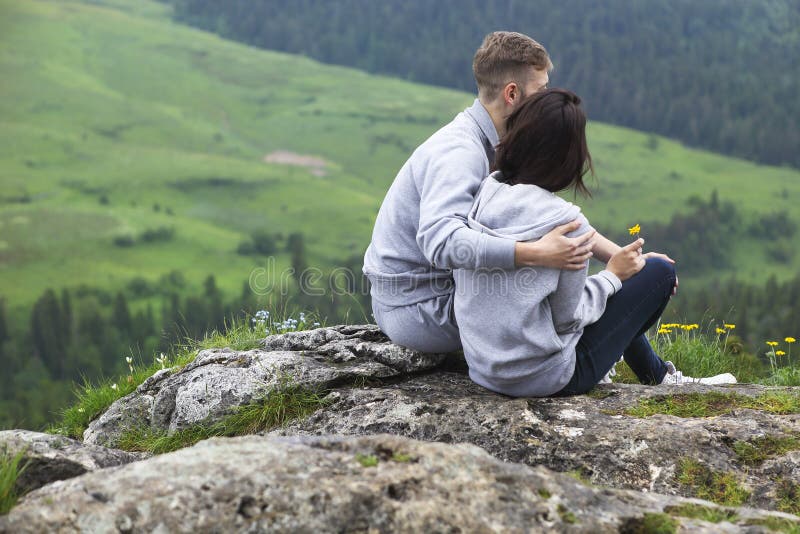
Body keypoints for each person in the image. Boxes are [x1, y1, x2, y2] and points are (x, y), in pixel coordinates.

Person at [453, 88, 737, 397]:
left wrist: (618, 273)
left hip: (484, 368)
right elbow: (568, 320)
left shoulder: (485, 192)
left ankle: (656, 374)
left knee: (622, 283)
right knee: (660, 272)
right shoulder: (565, 224)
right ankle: (649, 376)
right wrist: (612, 276)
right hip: (543, 378)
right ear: (568, 155)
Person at [364, 31, 620, 353]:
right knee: (558, 310)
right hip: (418, 309)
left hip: (432, 297)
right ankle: (633, 378)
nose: (546, 100)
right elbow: (441, 242)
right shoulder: (462, 152)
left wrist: (618, 256)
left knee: (575, 292)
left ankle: (655, 374)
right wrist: (534, 253)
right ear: (512, 94)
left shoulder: (495, 143)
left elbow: (546, 216)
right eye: (540, 91)